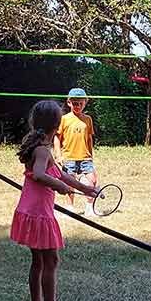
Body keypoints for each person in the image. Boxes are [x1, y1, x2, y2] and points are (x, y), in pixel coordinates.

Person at [12, 100, 98, 301]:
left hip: (30, 210)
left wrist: (87, 188)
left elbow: (62, 175)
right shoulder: (42, 150)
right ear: (57, 124)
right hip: (39, 213)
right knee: (50, 261)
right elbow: (41, 175)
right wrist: (58, 186)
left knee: (39, 262)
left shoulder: (40, 146)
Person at [54, 88, 98, 216]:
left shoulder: (88, 119)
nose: (77, 106)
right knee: (69, 183)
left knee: (92, 181)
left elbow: (89, 138)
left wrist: (91, 155)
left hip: (85, 158)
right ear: (69, 103)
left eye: (80, 103)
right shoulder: (64, 119)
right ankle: (70, 207)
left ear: (85, 102)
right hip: (69, 157)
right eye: (74, 103)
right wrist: (58, 155)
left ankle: (90, 208)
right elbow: (57, 137)